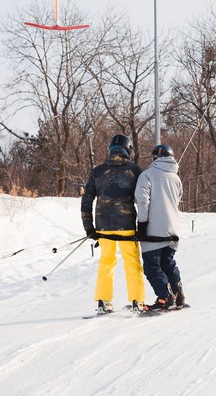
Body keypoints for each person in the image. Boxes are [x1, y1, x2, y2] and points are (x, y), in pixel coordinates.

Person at [81, 134, 145, 314]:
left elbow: (87, 200)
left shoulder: (98, 171)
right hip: (127, 226)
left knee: (106, 262)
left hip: (103, 226)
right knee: (132, 262)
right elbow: (142, 200)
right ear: (128, 150)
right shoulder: (134, 171)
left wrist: (89, 228)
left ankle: (103, 301)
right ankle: (136, 301)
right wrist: (144, 225)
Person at [135, 144, 185, 311]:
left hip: (153, 230)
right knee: (168, 264)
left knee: (152, 267)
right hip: (173, 228)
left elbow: (143, 201)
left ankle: (165, 297)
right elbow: (177, 200)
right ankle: (178, 295)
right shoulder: (176, 178)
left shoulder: (147, 175)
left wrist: (142, 226)